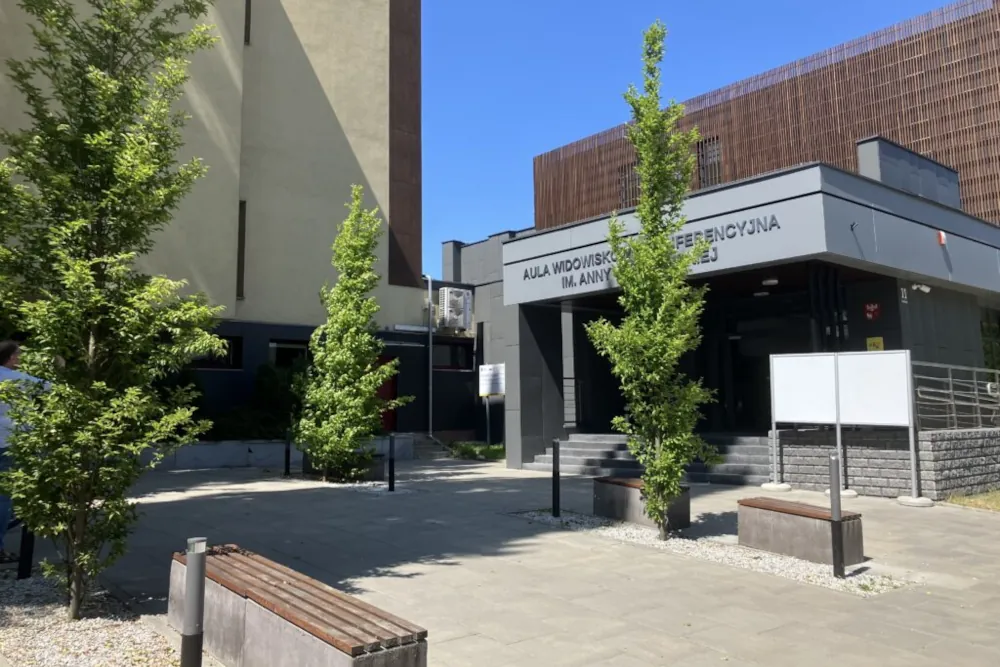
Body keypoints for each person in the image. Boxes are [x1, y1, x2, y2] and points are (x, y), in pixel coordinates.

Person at [0, 340, 46, 563]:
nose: (20, 358)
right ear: (10, 358)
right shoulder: (15, 378)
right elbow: (49, 387)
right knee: (3, 499)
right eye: (18, 355)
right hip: (6, 443)